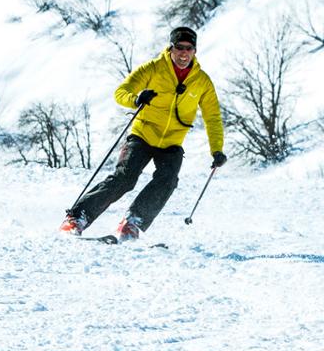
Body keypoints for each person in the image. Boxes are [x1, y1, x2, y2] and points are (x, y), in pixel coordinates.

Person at [62, 25, 225, 240]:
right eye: (179, 48)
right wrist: (136, 99)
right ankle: (77, 217)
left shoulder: (202, 81)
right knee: (125, 178)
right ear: (171, 48)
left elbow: (212, 117)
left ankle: (133, 222)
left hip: (172, 142)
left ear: (195, 51)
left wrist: (217, 150)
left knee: (168, 180)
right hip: (143, 135)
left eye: (189, 48)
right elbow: (121, 92)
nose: (183, 53)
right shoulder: (154, 68)